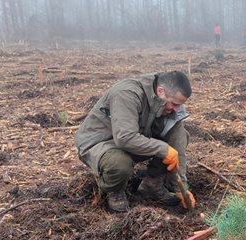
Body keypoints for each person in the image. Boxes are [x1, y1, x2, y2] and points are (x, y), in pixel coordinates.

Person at [74, 72, 196, 213]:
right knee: (119, 163)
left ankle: (152, 184)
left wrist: (181, 189)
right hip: (99, 143)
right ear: (160, 91)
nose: (177, 109)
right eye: (174, 104)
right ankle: (114, 190)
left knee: (180, 137)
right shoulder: (127, 94)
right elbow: (124, 137)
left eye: (179, 105)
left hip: (131, 140)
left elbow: (177, 145)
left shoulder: (168, 105)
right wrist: (163, 149)